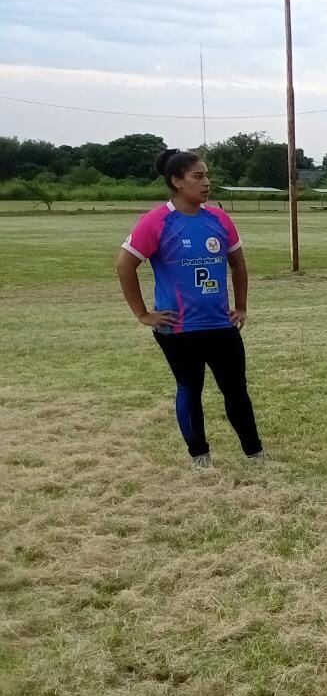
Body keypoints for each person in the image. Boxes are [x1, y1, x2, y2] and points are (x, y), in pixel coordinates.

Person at [116, 149, 265, 469]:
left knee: (237, 390)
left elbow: (238, 264)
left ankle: (254, 452)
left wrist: (241, 306)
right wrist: (143, 314)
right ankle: (200, 456)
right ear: (176, 181)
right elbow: (125, 265)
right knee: (189, 388)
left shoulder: (219, 219)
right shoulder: (156, 221)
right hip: (178, 330)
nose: (207, 182)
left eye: (207, 175)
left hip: (221, 325)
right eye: (198, 176)